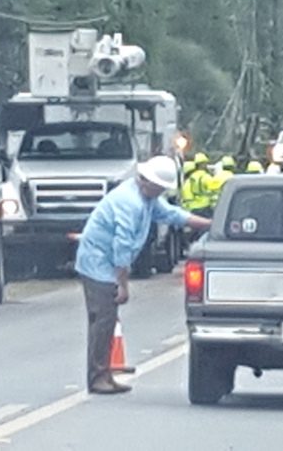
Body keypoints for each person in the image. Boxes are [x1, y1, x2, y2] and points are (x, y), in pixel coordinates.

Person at [74, 156, 212, 394]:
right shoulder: (130, 203)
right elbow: (122, 246)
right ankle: (98, 376)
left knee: (105, 320)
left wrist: (210, 224)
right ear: (147, 181)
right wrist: (122, 285)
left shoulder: (147, 198)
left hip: (103, 261)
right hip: (98, 263)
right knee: (103, 320)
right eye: (159, 187)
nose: (161, 192)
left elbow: (173, 215)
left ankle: (103, 373)